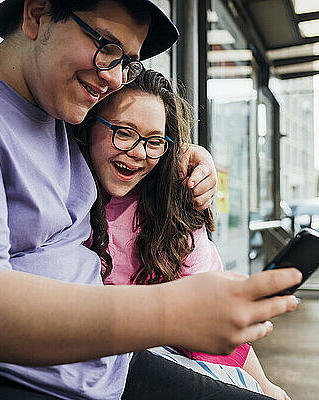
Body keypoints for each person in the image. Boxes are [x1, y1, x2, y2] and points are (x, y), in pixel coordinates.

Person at [0, 1, 301, 399]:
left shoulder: (60, 118)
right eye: (105, 45)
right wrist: (173, 311)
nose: (113, 77)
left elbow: (125, 147)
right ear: (37, 13)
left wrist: (179, 155)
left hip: (91, 369)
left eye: (128, 61)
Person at [78, 69, 290, 400]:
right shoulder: (65, 200)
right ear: (90, 122)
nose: (138, 152)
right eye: (124, 132)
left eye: (154, 141)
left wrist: (267, 386)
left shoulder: (173, 208)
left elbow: (210, 325)